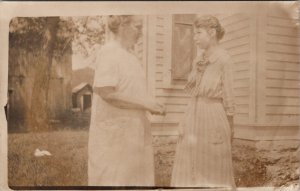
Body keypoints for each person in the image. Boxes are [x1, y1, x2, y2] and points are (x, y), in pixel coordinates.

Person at [88, 15, 165, 186]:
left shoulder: (130, 57)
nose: (141, 33)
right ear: (123, 25)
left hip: (134, 132)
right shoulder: (109, 52)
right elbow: (106, 93)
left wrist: (150, 102)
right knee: (115, 180)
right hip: (114, 136)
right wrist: (146, 104)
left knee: (136, 180)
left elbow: (131, 91)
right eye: (138, 27)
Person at [171, 15, 236, 190]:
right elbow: (193, 93)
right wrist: (184, 119)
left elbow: (229, 96)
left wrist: (230, 124)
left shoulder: (224, 59)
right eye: (194, 33)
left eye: (198, 33)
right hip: (194, 112)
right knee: (191, 158)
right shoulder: (197, 60)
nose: (194, 37)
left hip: (213, 113)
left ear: (212, 33)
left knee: (212, 159)